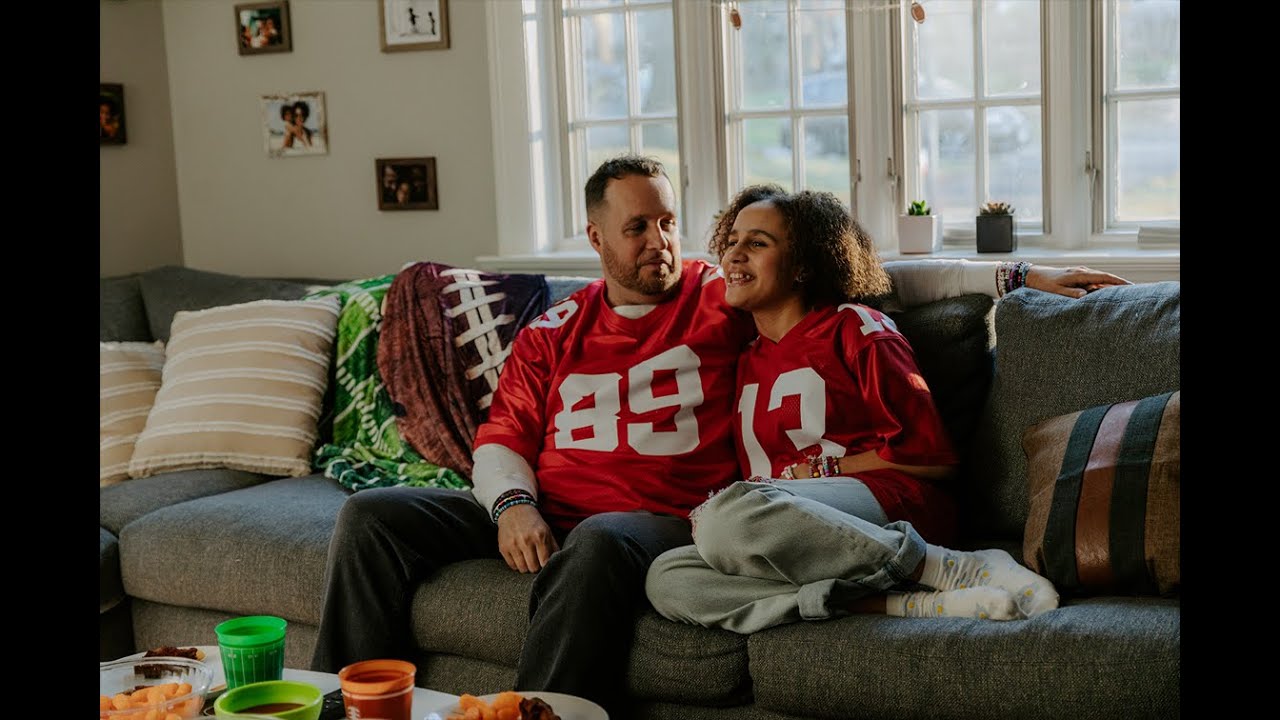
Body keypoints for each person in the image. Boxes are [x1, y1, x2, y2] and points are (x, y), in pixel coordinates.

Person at [309, 155, 1129, 710]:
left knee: (599, 541)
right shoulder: (553, 328)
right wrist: (512, 505)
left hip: (655, 519)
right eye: (637, 229)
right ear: (595, 239)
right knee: (374, 514)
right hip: (547, 506)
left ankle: (541, 714)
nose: (661, 242)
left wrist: (1019, 275)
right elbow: (501, 437)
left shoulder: (721, 298)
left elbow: (874, 277)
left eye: (667, 222)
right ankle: (336, 700)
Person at [644, 185, 1069, 635]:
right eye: (731, 242)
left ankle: (947, 566)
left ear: (804, 264)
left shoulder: (854, 328)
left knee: (728, 516)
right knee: (667, 577)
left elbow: (932, 459)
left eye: (757, 243)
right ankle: (901, 604)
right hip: (781, 531)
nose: (734, 255)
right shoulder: (745, 354)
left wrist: (821, 469)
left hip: (889, 504)